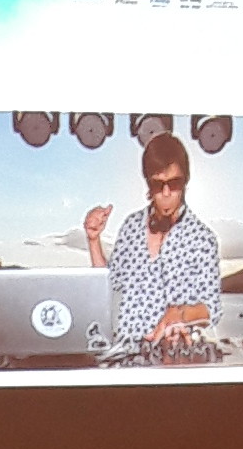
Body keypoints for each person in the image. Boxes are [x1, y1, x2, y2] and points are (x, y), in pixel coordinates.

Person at [82, 133, 220, 356]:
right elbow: (108, 284)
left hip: (174, 358)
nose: (166, 193)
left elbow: (212, 309)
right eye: (158, 184)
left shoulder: (203, 239)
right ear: (148, 183)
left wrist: (180, 314)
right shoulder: (131, 226)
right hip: (124, 355)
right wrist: (93, 239)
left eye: (174, 183)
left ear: (185, 182)